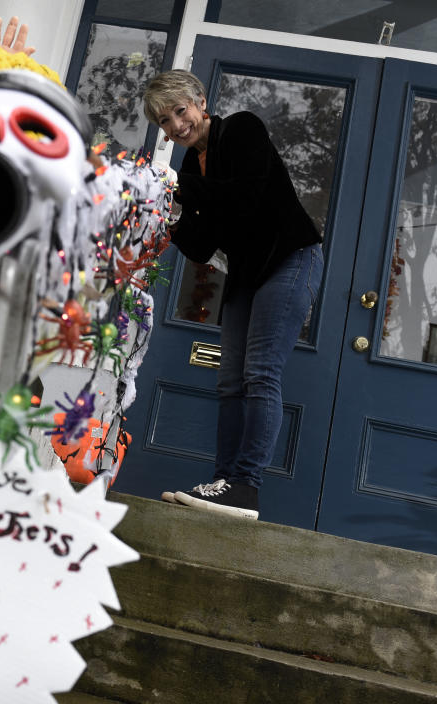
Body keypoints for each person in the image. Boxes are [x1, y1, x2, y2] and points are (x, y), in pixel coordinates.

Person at [143, 69, 323, 520]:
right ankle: (222, 485)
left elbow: (245, 196)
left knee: (260, 373)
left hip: (290, 258)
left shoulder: (242, 128)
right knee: (229, 381)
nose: (176, 126)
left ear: (200, 101)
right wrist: (165, 221)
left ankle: (245, 486)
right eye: (164, 122)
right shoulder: (190, 166)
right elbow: (203, 244)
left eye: (180, 112)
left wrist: (179, 188)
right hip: (246, 273)